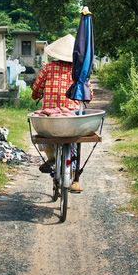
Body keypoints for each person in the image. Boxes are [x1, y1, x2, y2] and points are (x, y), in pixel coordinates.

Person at [31, 34, 92, 192]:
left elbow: (37, 88)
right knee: (74, 142)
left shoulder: (49, 67)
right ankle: (74, 178)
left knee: (45, 134)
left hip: (51, 116)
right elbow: (88, 94)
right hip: (71, 116)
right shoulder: (79, 71)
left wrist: (36, 95)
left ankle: (51, 158)